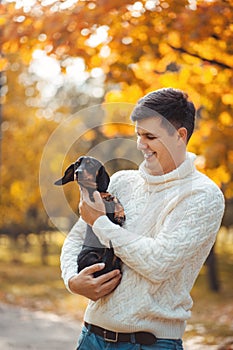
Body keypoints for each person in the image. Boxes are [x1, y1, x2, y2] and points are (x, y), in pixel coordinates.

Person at [60, 88, 225, 350]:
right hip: (90, 337)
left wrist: (100, 222)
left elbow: (159, 262)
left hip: (148, 344)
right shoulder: (122, 181)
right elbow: (77, 238)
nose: (140, 144)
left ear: (180, 136)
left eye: (150, 136)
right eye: (138, 135)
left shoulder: (203, 196)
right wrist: (73, 280)